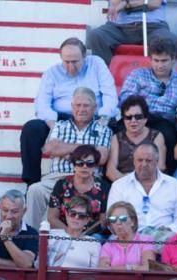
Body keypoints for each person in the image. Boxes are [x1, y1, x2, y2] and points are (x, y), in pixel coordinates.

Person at [20, 38, 117, 187]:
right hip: (61, 118)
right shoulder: (52, 72)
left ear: (85, 57)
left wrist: (102, 120)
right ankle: (32, 183)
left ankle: (104, 184)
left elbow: (110, 95)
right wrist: (54, 126)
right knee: (31, 129)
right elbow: (42, 104)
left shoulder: (96, 64)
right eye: (66, 62)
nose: (70, 66)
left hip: (95, 116)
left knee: (119, 130)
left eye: (75, 62)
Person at [24, 87, 112, 230]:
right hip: (56, 178)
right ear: (72, 107)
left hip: (88, 179)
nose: (81, 109)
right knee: (35, 190)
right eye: (78, 105)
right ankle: (31, 240)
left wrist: (64, 148)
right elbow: (49, 149)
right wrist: (88, 149)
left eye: (86, 105)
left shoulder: (104, 129)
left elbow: (101, 157)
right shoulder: (60, 126)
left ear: (95, 107)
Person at [118, 36, 177, 171]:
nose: (160, 65)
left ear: (173, 60)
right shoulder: (138, 75)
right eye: (156, 60)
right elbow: (126, 99)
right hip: (139, 116)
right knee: (119, 130)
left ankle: (166, 173)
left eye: (164, 61)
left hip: (165, 120)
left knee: (169, 134)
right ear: (150, 59)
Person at [106, 141, 177, 244]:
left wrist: (170, 229)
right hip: (129, 237)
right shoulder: (119, 186)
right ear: (134, 161)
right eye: (140, 160)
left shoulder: (174, 185)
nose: (144, 164)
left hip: (165, 237)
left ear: (157, 161)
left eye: (148, 160)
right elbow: (112, 218)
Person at [86, 0, 173, 65]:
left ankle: (157, 83)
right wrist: (141, 2)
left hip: (153, 27)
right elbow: (115, 2)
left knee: (167, 40)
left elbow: (154, 3)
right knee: (97, 35)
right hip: (119, 27)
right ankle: (106, 80)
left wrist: (126, 3)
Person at [47, 144, 108, 232]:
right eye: (80, 163)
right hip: (64, 232)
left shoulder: (104, 187)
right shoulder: (61, 185)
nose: (84, 167)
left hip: (92, 235)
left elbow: (103, 221)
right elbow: (52, 217)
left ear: (95, 166)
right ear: (74, 165)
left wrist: (83, 235)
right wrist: (70, 233)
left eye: (89, 164)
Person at [106, 95, 166, 181]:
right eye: (128, 117)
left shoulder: (156, 136)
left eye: (138, 117)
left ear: (145, 119)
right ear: (123, 120)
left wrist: (139, 182)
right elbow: (110, 171)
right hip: (123, 184)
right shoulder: (116, 138)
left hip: (150, 182)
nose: (133, 121)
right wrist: (129, 183)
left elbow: (160, 167)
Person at [98, 201, 155, 270]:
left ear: (133, 221)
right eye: (113, 219)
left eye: (123, 218)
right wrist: (130, 267)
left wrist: (114, 268)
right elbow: (103, 270)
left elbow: (148, 268)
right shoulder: (107, 246)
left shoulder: (145, 241)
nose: (118, 222)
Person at [47, 196, 101, 269]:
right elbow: (38, 265)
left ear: (87, 220)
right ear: (66, 214)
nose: (76, 218)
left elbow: (95, 273)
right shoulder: (51, 235)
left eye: (81, 216)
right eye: (73, 213)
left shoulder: (94, 243)